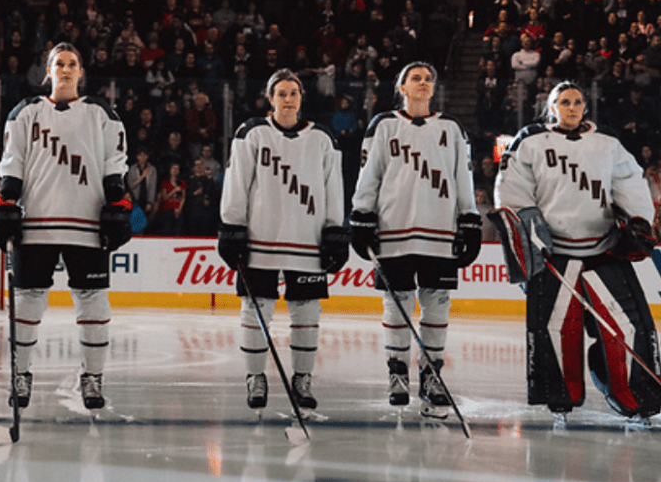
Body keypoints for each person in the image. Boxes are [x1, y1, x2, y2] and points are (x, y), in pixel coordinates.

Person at [492, 81, 661, 419]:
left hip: (604, 251)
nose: (572, 107)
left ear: (586, 106)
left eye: (578, 101)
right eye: (564, 101)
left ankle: (631, 390)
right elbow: (511, 192)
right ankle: (560, 392)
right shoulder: (529, 142)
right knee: (557, 331)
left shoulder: (607, 143)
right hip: (555, 256)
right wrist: (529, 236)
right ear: (550, 107)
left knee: (625, 328)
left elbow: (630, 183)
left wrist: (639, 221)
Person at [0, 42, 131, 411]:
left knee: (93, 303)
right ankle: (21, 375)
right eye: (59, 64)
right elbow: (12, 163)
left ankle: (93, 377)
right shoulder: (25, 112)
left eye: (72, 63)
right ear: (47, 71)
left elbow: (114, 163)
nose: (66, 69)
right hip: (36, 221)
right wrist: (6, 202)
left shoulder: (102, 113)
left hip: (86, 221)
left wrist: (117, 200)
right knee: (28, 303)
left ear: (81, 71)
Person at [349, 61, 482, 414]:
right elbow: (369, 173)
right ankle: (396, 373)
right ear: (402, 87)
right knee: (397, 302)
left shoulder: (452, 128)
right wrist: (362, 213)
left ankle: (432, 375)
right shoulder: (384, 124)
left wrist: (469, 218)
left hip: (439, 230)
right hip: (394, 229)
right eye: (415, 79)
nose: (423, 83)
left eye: (428, 79)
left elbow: (462, 178)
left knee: (437, 303)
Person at [218, 69, 348, 412]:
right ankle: (255, 377)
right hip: (261, 238)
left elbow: (334, 186)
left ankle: (302, 378)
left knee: (307, 313)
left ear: (301, 97)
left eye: (293, 93)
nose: (287, 99)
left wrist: (335, 230)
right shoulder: (251, 133)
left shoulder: (323, 138)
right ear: (270, 98)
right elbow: (236, 183)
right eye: (281, 93)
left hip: (307, 241)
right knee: (255, 310)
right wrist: (232, 227)